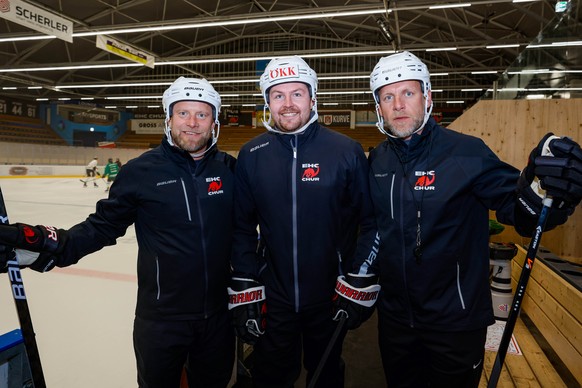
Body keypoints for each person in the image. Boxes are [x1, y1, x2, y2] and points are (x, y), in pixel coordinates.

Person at [0, 76, 237, 388]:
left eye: (202, 114)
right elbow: (101, 228)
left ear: (214, 121)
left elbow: (253, 229)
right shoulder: (141, 171)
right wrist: (45, 245)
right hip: (160, 321)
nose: (192, 123)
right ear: (168, 118)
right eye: (183, 113)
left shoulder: (231, 170)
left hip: (219, 317)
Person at [364, 51, 582, 387]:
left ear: (427, 97)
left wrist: (545, 193)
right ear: (379, 107)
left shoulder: (466, 152)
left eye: (408, 93)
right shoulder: (378, 160)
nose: (398, 104)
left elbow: (518, 210)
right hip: (395, 321)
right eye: (388, 97)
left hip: (456, 322)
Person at [227, 56, 380, 388]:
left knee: (325, 374)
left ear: (313, 98)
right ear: (267, 102)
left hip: (330, 295)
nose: (287, 104)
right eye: (277, 95)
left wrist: (358, 278)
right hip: (274, 294)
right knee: (271, 375)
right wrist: (245, 285)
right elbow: (241, 227)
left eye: (297, 94)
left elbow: (371, 222)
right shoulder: (252, 155)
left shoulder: (346, 151)